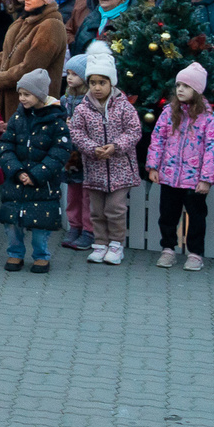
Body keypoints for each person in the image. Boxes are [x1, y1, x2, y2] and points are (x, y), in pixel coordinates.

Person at [145, 64, 214, 270]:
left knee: (196, 217)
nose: (180, 89)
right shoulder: (169, 113)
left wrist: (206, 179)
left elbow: (211, 149)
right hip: (169, 176)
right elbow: (157, 139)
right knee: (168, 214)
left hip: (194, 179)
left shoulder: (208, 118)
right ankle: (168, 249)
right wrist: (154, 166)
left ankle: (195, 253)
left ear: (197, 91)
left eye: (186, 86)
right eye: (178, 85)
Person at [68, 47, 141, 266]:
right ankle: (100, 243)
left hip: (120, 169)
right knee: (97, 210)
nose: (97, 87)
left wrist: (116, 146)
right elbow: (77, 132)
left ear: (111, 83)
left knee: (115, 209)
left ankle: (116, 244)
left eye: (102, 82)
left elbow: (134, 131)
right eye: (93, 83)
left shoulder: (124, 107)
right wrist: (91, 148)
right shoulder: (82, 109)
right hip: (94, 169)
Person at [0, 71, 68, 273]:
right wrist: (17, 171)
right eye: (20, 94)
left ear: (39, 94)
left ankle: (41, 255)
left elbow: (59, 153)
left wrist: (37, 174)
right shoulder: (18, 118)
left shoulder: (56, 121)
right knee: (12, 222)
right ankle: (15, 253)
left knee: (40, 225)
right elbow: (5, 146)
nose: (22, 99)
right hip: (16, 181)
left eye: (27, 94)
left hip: (42, 184)